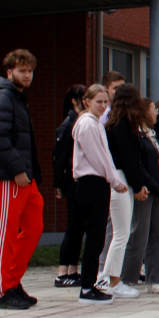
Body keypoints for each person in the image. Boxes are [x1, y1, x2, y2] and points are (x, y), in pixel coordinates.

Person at [0, 49, 45, 309]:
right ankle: (4, 292)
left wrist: (30, 174)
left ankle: (13, 281)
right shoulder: (3, 96)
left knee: (34, 227)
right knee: (5, 233)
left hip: (24, 178)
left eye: (30, 71)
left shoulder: (17, 97)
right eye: (22, 71)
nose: (27, 75)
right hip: (9, 177)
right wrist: (18, 169)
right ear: (9, 73)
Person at [72, 85, 128, 304]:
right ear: (87, 101)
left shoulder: (95, 123)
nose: (103, 106)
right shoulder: (87, 124)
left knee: (96, 238)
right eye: (99, 102)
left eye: (106, 102)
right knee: (95, 237)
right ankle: (87, 288)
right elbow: (98, 157)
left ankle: (89, 285)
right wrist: (115, 180)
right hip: (91, 182)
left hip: (97, 182)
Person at [101, 84, 151, 299]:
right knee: (121, 234)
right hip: (121, 179)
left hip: (118, 178)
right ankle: (112, 281)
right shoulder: (122, 126)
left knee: (119, 233)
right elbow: (129, 160)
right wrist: (138, 186)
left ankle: (109, 279)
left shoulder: (114, 123)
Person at [121, 98, 159, 295]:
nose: (157, 114)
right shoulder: (137, 136)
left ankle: (154, 279)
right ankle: (128, 278)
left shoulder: (154, 134)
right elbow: (139, 166)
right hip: (146, 192)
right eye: (154, 110)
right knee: (139, 236)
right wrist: (156, 189)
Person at [53, 84, 87, 288]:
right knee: (73, 227)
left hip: (78, 180)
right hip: (71, 180)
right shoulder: (68, 125)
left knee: (79, 226)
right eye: (84, 98)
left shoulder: (80, 122)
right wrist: (58, 184)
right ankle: (62, 272)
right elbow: (59, 158)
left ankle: (73, 270)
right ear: (75, 101)